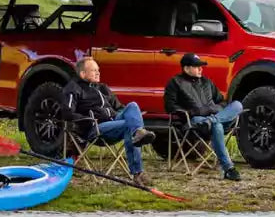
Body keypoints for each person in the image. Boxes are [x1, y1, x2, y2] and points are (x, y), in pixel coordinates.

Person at [63, 57, 156, 187]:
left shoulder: (102, 88)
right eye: (94, 70)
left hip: (114, 122)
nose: (98, 73)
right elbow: (67, 113)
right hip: (96, 128)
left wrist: (133, 116)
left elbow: (119, 107)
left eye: (98, 70)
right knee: (129, 126)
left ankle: (138, 132)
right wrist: (87, 121)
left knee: (133, 106)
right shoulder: (74, 88)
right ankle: (138, 173)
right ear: (82, 74)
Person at [164, 52, 243, 181]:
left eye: (201, 66)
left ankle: (212, 121)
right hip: (195, 122)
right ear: (186, 68)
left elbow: (222, 102)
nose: (201, 69)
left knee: (238, 105)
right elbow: (170, 107)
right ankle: (229, 168)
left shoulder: (207, 82)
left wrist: (213, 111)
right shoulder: (175, 83)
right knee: (216, 126)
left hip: (214, 119)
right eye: (197, 66)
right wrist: (194, 112)